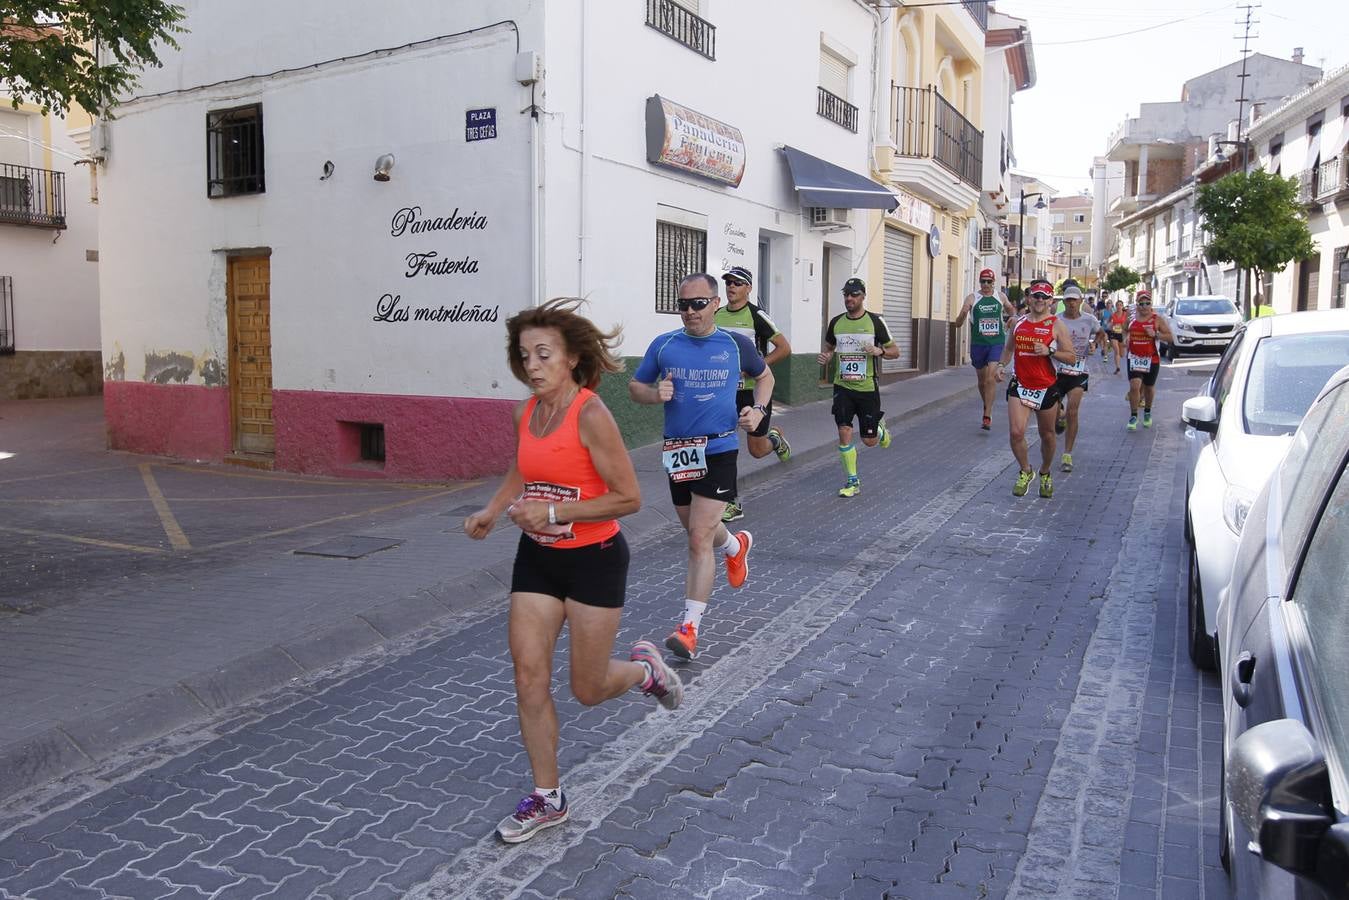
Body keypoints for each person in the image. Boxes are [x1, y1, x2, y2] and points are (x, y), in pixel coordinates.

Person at [465, 298, 683, 845]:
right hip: (537, 559)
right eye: (524, 355)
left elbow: (629, 497)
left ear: (570, 360)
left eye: (544, 355)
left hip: (594, 562)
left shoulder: (590, 414)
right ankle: (548, 797)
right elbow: (525, 463)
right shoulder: (525, 412)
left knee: (587, 688)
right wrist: (495, 510)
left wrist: (555, 511)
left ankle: (645, 672)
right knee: (528, 676)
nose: (533, 365)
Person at [629, 273, 768, 661]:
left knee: (696, 539)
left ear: (715, 303)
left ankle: (689, 628)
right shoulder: (665, 345)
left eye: (698, 304)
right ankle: (736, 544)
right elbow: (635, 388)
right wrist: (654, 393)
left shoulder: (736, 345)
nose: (690, 312)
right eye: (683, 304)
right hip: (679, 450)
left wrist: (757, 411)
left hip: (721, 448)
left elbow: (765, 377)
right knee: (696, 530)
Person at [714, 266, 792, 523]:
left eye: (737, 283)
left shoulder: (757, 315)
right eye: (728, 283)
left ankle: (775, 440)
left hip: (754, 394)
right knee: (724, 445)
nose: (731, 287)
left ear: (748, 288)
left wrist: (758, 368)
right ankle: (730, 502)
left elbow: (784, 348)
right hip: (725, 392)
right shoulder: (716, 315)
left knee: (757, 450)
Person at [817, 277, 900, 498]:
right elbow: (830, 346)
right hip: (842, 386)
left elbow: (895, 351)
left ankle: (879, 430)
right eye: (846, 295)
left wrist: (880, 351)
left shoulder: (875, 322)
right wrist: (827, 356)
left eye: (854, 295)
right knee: (844, 430)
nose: (849, 299)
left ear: (863, 296)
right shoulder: (836, 322)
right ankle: (852, 481)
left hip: (867, 388)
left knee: (869, 441)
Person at [994, 279, 1077, 499]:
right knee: (1016, 432)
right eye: (1036, 296)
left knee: (1047, 435)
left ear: (1050, 301)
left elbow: (1071, 357)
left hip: (1046, 386)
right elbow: (1008, 349)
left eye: (1044, 297)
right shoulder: (1018, 323)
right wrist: (1001, 365)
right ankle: (1025, 470)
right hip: (1020, 384)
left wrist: (1050, 352)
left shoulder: (1056, 325)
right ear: (1029, 298)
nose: (1039, 300)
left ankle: (1045, 472)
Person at [953, 267, 1016, 430]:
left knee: (990, 377)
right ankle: (986, 404)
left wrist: (1012, 318)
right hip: (978, 344)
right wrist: (963, 313)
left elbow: (1011, 309)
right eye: (983, 281)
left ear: (994, 282)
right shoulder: (973, 297)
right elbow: (958, 323)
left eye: (989, 281)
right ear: (979, 282)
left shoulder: (1000, 296)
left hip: (996, 342)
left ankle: (987, 414)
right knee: (981, 381)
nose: (986, 284)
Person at [1054, 284, 1104, 472]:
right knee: (1055, 413)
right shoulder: (1056, 320)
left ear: (1081, 301)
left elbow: (1100, 333)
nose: (1072, 303)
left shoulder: (1089, 320)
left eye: (1075, 300)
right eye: (1068, 300)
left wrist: (1094, 345)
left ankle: (1067, 454)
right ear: (1064, 302)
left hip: (1078, 371)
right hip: (1057, 370)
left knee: (1073, 411)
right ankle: (1060, 418)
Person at [1123, 288, 1174, 431]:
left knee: (1149, 387)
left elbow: (1170, 337)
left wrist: (1156, 334)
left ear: (1151, 304)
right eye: (1141, 303)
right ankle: (1133, 416)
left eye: (1147, 303)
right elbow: (1124, 329)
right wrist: (1126, 337)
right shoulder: (1131, 318)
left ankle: (1147, 412)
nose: (1144, 306)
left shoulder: (1157, 319)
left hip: (1151, 358)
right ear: (1137, 304)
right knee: (1134, 386)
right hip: (1134, 357)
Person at [1107, 299, 1128, 374]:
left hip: (1122, 335)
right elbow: (1108, 323)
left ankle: (1118, 363)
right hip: (1114, 334)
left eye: (1120, 305)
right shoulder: (1113, 315)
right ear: (1115, 306)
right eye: (1117, 305)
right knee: (1117, 351)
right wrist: (1111, 326)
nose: (1119, 306)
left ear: (1122, 306)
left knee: (1122, 354)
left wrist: (1125, 328)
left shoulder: (1126, 314)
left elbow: (1129, 323)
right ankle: (1118, 367)